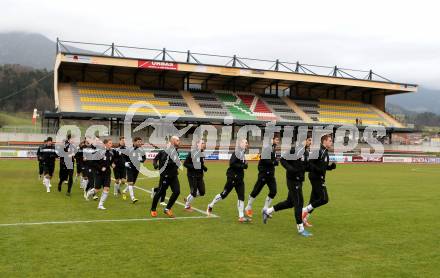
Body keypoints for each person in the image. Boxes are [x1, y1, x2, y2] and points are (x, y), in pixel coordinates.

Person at [263, 137, 312, 237]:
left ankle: (267, 211)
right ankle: (300, 228)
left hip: (299, 180)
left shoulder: (306, 153)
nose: (310, 142)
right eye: (309, 140)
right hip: (292, 180)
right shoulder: (294, 150)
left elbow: (305, 167)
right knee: (299, 202)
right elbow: (283, 160)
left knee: (290, 203)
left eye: (311, 140)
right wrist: (291, 169)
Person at [207, 138, 250, 223]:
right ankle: (210, 205)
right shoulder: (237, 152)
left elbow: (242, 164)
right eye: (245, 143)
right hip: (232, 178)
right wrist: (243, 166)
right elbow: (232, 163)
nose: (247, 144)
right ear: (241, 144)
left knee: (241, 197)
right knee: (224, 194)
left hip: (240, 179)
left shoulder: (243, 153)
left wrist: (245, 164)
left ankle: (241, 217)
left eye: (247, 143)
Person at [302, 134, 337, 227]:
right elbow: (309, 163)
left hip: (318, 177)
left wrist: (330, 167)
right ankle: (304, 210)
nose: (331, 142)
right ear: (324, 141)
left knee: (313, 200)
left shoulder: (325, 152)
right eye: (329, 140)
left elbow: (323, 167)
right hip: (316, 177)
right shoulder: (318, 151)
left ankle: (304, 219)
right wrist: (317, 170)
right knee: (324, 199)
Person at [245, 137, 279, 218]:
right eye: (276, 139)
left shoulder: (273, 149)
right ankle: (248, 207)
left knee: (273, 191)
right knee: (256, 190)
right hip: (264, 174)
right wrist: (274, 162)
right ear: (272, 140)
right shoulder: (267, 148)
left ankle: (265, 209)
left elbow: (273, 161)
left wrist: (275, 162)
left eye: (278, 140)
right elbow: (264, 159)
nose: (278, 141)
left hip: (270, 174)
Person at [150, 136, 181, 218]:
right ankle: (153, 209)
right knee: (160, 192)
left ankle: (167, 209)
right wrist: (155, 165)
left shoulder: (176, 152)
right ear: (173, 141)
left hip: (174, 175)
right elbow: (162, 162)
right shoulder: (165, 151)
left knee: (177, 191)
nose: (179, 142)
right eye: (177, 140)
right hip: (165, 176)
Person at [86, 139, 115, 209]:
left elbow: (111, 161)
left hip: (107, 173)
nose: (111, 144)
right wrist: (100, 168)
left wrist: (112, 164)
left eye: (111, 143)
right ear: (105, 144)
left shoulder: (111, 153)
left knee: (106, 188)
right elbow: (93, 162)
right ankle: (90, 192)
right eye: (110, 143)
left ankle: (100, 205)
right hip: (98, 173)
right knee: (97, 189)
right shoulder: (99, 152)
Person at [183, 139, 208, 211]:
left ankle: (187, 198)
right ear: (197, 144)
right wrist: (194, 167)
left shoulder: (202, 153)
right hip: (192, 175)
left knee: (202, 192)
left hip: (200, 176)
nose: (204, 144)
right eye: (202, 143)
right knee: (193, 193)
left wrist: (204, 168)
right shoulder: (192, 152)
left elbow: (201, 164)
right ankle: (187, 206)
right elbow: (185, 164)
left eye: (204, 143)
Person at [123, 137, 146, 204]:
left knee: (132, 183)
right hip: (129, 167)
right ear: (134, 142)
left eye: (140, 142)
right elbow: (124, 157)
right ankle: (133, 198)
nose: (139, 143)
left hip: (137, 168)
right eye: (138, 142)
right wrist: (125, 162)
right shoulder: (129, 149)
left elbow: (144, 158)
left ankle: (124, 191)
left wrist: (141, 160)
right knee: (130, 182)